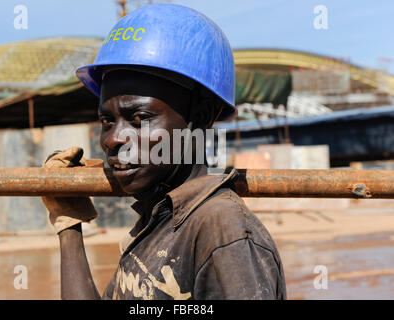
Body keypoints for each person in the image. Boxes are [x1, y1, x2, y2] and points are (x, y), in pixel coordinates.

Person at [41, 4, 286, 300]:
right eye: (107, 121)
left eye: (139, 120)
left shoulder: (223, 232)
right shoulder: (160, 222)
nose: (114, 139)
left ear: (202, 114)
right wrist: (69, 225)